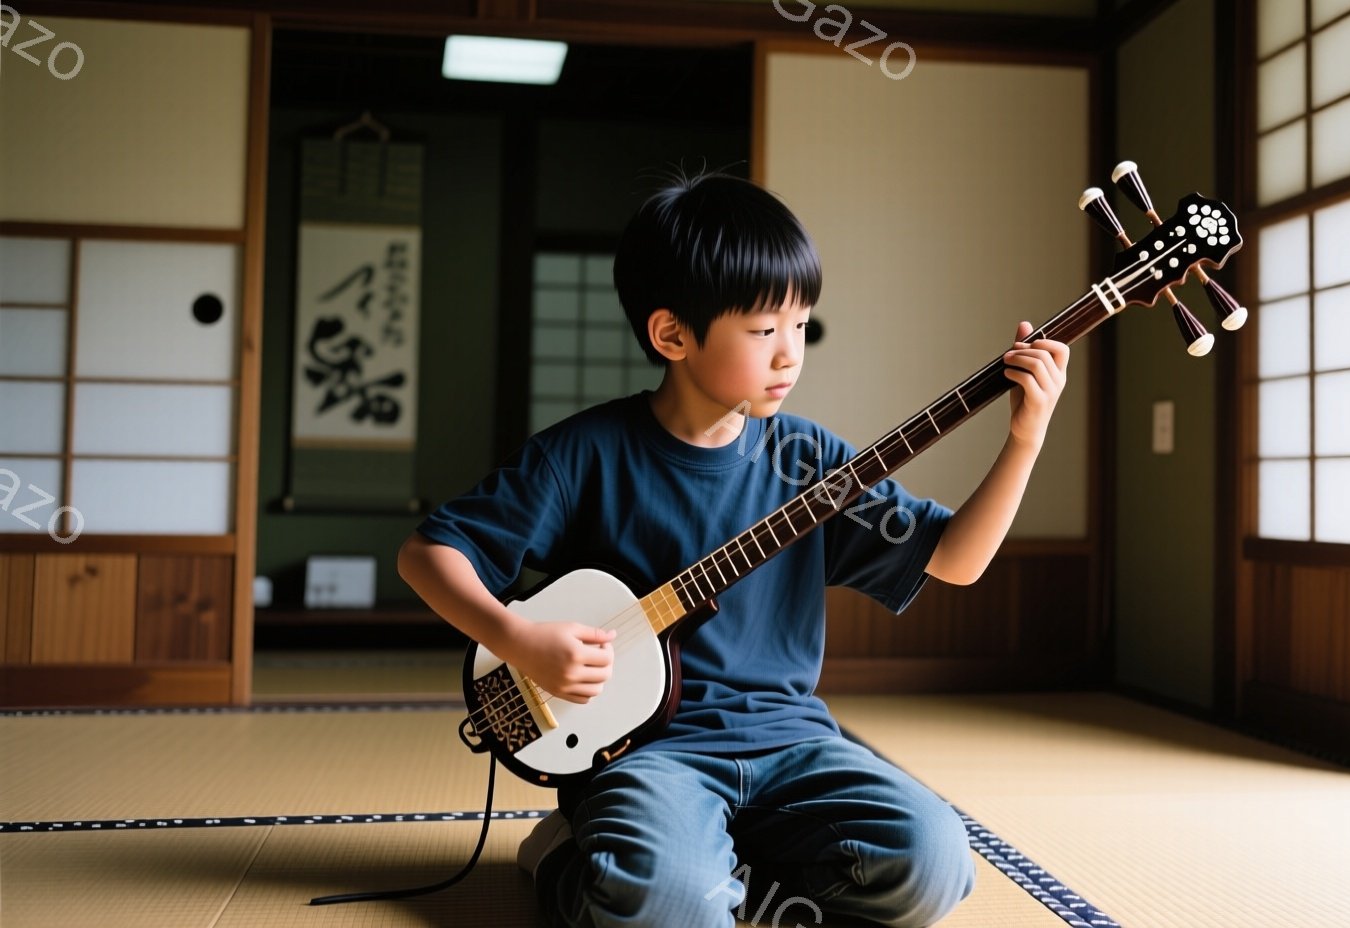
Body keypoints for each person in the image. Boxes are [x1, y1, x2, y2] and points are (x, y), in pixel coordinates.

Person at [397, 171, 1069, 928]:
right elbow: (429, 554)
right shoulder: (584, 454)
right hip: (647, 755)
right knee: (667, 906)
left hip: (794, 742)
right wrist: (518, 637)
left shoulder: (811, 462)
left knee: (932, 862)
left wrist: (1025, 438)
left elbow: (955, 559)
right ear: (672, 335)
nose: (790, 355)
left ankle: (721, 870)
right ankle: (566, 855)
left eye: (800, 325)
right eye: (763, 330)